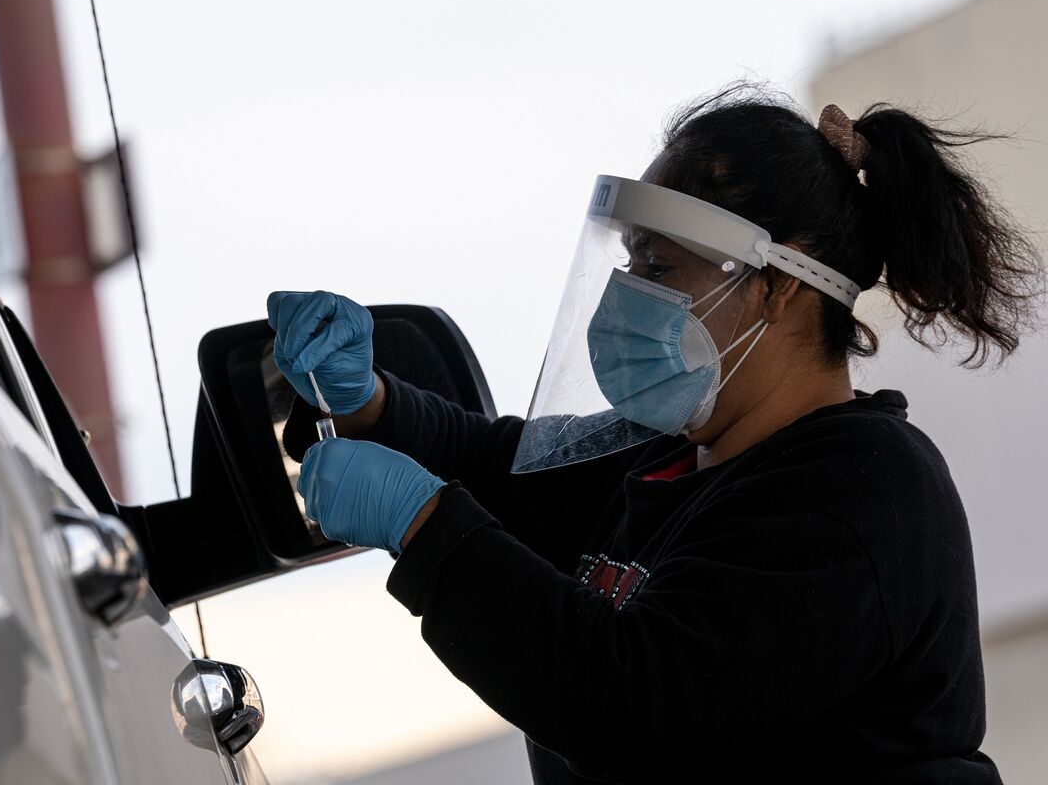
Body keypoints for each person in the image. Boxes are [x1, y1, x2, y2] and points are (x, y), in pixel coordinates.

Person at [266, 86, 1043, 784]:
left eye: (661, 268)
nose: (629, 295)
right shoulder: (667, 455)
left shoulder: (861, 491)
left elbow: (641, 712)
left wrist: (424, 524)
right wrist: (365, 400)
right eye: (631, 263)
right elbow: (499, 467)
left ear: (774, 285)